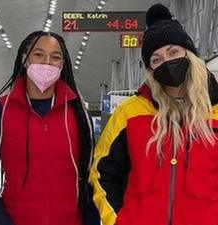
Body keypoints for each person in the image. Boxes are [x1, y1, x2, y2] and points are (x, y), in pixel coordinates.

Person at [90, 4, 218, 225]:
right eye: (156, 59)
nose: (167, 62)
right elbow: (102, 173)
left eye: (173, 52)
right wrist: (118, 221)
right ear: (150, 70)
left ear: (190, 54)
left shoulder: (214, 112)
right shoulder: (129, 114)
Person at [0, 31, 95, 225]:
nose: (47, 62)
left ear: (62, 65)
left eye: (55, 57)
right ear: (25, 60)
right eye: (39, 54)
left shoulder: (78, 115)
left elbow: (91, 178)